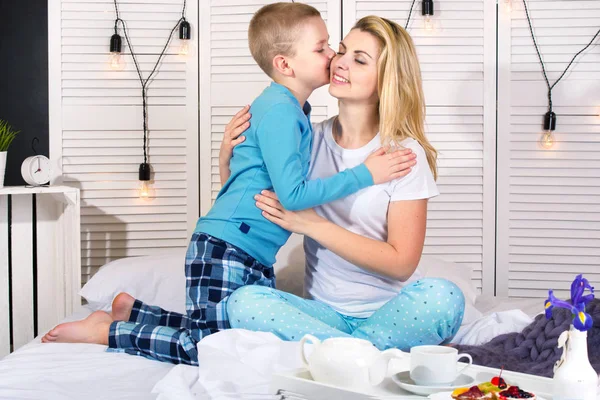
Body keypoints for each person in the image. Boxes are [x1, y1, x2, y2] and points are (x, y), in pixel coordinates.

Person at [41, 3, 411, 366]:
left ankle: (134, 312)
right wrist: (366, 174)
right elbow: (293, 196)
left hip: (250, 251)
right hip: (229, 247)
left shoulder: (295, 112)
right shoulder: (282, 111)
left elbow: (249, 182)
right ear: (284, 64)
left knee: (236, 336)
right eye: (324, 48)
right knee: (208, 348)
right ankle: (107, 331)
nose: (332, 56)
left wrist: (227, 158)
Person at [223, 16, 466, 351]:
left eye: (359, 59)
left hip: (389, 314)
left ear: (386, 80)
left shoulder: (403, 155)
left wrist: (312, 225)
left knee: (445, 297)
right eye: (340, 51)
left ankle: (341, 353)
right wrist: (227, 154)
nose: (339, 62)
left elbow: (401, 264)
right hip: (323, 315)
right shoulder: (308, 138)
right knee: (242, 303)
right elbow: (252, 202)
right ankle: (364, 353)